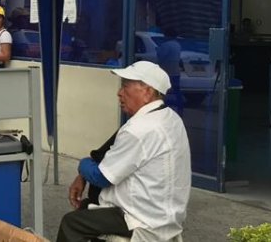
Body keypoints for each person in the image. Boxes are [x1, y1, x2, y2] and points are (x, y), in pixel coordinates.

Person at [57, 61, 191, 242]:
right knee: (87, 207)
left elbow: (101, 177)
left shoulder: (139, 129)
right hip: (166, 214)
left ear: (148, 92)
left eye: (126, 86)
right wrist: (83, 175)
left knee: (72, 224)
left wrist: (82, 166)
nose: (119, 93)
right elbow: (104, 152)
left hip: (142, 218)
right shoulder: (170, 118)